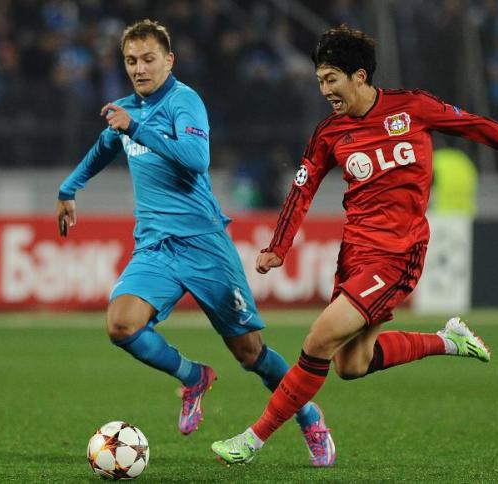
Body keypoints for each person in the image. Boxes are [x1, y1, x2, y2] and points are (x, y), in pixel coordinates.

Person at [211, 25, 498, 465]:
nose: (325, 89)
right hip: (355, 255)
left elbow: (476, 126)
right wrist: (279, 246)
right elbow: (301, 188)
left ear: (360, 76)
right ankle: (448, 341)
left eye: (331, 79)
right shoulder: (329, 132)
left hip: (399, 254)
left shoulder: (413, 108)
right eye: (320, 81)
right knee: (351, 364)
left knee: (318, 338)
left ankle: (252, 440)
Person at [55, 19, 335, 467]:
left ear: (169, 60)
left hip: (204, 245)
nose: (140, 69)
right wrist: (69, 189)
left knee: (251, 354)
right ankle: (193, 376)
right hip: (155, 248)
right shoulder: (127, 110)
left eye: (148, 59)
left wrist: (137, 129)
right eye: (131, 61)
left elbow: (196, 159)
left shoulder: (185, 102)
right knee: (121, 326)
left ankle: (308, 415)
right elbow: (103, 146)